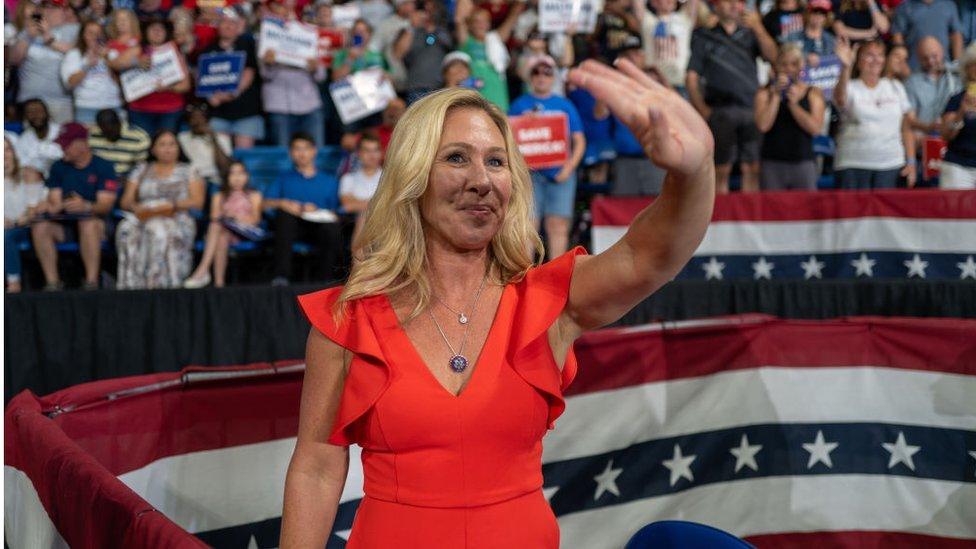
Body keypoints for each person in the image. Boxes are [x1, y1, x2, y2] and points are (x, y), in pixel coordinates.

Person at [278, 58, 715, 546]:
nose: (482, 180)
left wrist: (694, 173)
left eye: (496, 160)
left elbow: (647, 255)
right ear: (412, 175)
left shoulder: (547, 300)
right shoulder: (347, 319)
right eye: (457, 158)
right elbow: (316, 465)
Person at [686, 0, 778, 193]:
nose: (734, 6)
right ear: (716, 6)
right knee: (721, 169)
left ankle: (750, 219)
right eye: (728, 1)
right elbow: (691, 77)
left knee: (752, 168)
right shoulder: (703, 36)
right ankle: (722, 219)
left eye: (739, 2)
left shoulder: (752, 33)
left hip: (751, 109)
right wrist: (703, 110)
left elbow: (774, 58)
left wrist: (759, 27)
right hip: (720, 110)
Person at [509, 55, 586, 259]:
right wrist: (521, 123)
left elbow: (579, 141)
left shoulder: (565, 105)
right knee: (528, 226)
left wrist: (569, 168)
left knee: (558, 224)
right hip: (530, 175)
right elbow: (507, 140)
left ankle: (555, 277)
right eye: (536, 72)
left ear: (553, 78)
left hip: (561, 173)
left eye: (547, 72)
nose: (541, 77)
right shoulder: (519, 105)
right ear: (530, 77)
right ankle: (526, 277)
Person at [30, 123, 120, 290]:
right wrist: (54, 206)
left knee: (87, 223)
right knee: (40, 226)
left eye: (66, 145)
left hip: (98, 224)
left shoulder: (103, 166)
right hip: (66, 224)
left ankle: (91, 282)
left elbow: (105, 206)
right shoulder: (58, 167)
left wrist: (85, 205)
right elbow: (55, 200)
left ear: (81, 144)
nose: (62, 148)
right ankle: (53, 283)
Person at [115, 130, 205, 289]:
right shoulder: (141, 170)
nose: (168, 149)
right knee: (125, 229)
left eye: (172, 144)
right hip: (145, 215)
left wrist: (173, 205)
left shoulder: (189, 170)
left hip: (176, 216)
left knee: (158, 229)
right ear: (153, 149)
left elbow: (197, 202)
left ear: (178, 147)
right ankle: (130, 284)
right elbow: (126, 201)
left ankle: (160, 285)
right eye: (162, 144)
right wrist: (137, 207)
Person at [833, 38, 917, 188]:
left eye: (880, 55)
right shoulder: (850, 87)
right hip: (853, 164)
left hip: (891, 164)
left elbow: (906, 128)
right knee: (854, 212)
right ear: (858, 61)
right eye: (869, 55)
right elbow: (840, 99)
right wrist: (845, 67)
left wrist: (911, 161)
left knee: (885, 213)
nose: (875, 60)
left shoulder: (895, 87)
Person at [264, 132, 342, 286]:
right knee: (284, 216)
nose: (302, 153)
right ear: (291, 153)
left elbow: (337, 213)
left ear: (314, 151)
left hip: (319, 226)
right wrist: (283, 203)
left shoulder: (329, 180)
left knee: (332, 228)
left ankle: (325, 280)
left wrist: (315, 210)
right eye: (297, 149)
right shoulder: (283, 177)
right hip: (291, 227)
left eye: (306, 148)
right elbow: (264, 203)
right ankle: (282, 276)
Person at [754, 45, 827, 190]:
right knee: (772, 210)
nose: (788, 69)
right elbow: (763, 125)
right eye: (784, 64)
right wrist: (776, 95)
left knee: (807, 210)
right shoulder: (764, 93)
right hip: (772, 162)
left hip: (803, 162)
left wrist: (793, 104)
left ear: (801, 66)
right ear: (776, 66)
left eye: (793, 64)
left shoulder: (813, 93)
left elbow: (815, 129)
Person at [184, 161, 263, 288]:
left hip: (245, 232)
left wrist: (236, 217)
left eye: (240, 173)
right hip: (224, 231)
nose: (237, 178)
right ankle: (219, 283)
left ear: (247, 176)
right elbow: (214, 217)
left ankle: (203, 270)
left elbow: (255, 219)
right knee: (220, 235)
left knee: (217, 228)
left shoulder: (253, 194)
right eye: (232, 174)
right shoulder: (219, 195)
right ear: (226, 177)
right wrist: (225, 214)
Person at [262, 0, 327, 147]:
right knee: (283, 155)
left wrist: (314, 67)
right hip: (278, 105)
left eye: (288, 9)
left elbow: (321, 76)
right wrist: (269, 64)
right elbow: (265, 75)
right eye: (280, 8)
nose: (285, 13)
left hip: (309, 104)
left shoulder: (309, 35)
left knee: (315, 152)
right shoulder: (266, 36)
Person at [7, 0, 80, 124]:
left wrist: (48, 36)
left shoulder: (72, 30)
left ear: (64, 11)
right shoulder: (25, 31)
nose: (50, 11)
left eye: (55, 7)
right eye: (46, 7)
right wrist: (28, 36)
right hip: (30, 99)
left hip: (61, 100)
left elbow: (76, 52)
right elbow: (14, 60)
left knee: (62, 140)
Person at [202, 6, 264, 149]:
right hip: (218, 114)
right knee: (220, 158)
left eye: (232, 23)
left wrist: (231, 92)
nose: (228, 26)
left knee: (244, 158)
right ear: (218, 26)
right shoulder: (209, 50)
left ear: (239, 26)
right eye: (224, 22)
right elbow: (202, 77)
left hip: (246, 113)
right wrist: (211, 97)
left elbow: (250, 72)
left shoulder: (248, 44)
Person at [126, 19, 192, 135]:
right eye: (153, 29)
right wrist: (135, 61)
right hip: (140, 109)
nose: (157, 32)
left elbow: (185, 86)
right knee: (143, 146)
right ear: (145, 32)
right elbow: (114, 63)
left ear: (166, 33)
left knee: (166, 146)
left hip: (170, 110)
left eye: (160, 29)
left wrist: (169, 88)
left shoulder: (175, 52)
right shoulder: (137, 50)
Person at [455, 6, 521, 111]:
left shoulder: (495, 39)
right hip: (475, 94)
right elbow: (459, 20)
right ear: (470, 25)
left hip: (497, 93)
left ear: (489, 24)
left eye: (484, 21)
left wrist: (520, 4)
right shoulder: (466, 41)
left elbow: (512, 18)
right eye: (476, 21)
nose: (481, 25)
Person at [60, 20, 124, 125]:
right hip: (86, 107)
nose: (95, 36)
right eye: (91, 33)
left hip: (112, 106)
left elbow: (121, 83)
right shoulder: (74, 55)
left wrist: (107, 60)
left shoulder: (112, 54)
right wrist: (87, 66)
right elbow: (69, 83)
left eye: (98, 33)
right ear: (83, 36)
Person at [5, 137, 47, 293]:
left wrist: (15, 221)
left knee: (5, 236)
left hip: (25, 227)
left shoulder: (28, 174)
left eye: (7, 149)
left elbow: (33, 208)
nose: (3, 154)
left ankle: (14, 282)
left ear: (14, 152)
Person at [904, 37, 961, 146]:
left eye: (934, 56)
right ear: (918, 58)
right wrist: (929, 126)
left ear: (942, 51)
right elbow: (910, 119)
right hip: (924, 141)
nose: (930, 61)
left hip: (954, 140)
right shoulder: (911, 82)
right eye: (925, 58)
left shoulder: (957, 74)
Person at [634, 0, 698, 96]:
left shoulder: (684, 19)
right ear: (653, 2)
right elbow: (637, 5)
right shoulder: (648, 22)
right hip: (654, 83)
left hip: (680, 83)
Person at [938, 44, 976, 189]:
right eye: (974, 65)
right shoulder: (956, 99)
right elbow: (946, 135)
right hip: (958, 168)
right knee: (954, 212)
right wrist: (961, 112)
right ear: (967, 69)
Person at [891, 0, 963, 70]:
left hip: (944, 66)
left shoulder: (949, 5)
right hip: (914, 67)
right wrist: (904, 66)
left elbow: (956, 34)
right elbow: (898, 35)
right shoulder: (905, 7)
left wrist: (957, 62)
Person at [339, 133, 384, 246]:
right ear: (359, 153)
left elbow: (390, 204)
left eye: (375, 150)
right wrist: (376, 202)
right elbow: (347, 205)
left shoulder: (388, 178)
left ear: (381, 153)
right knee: (365, 216)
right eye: (367, 151)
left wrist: (358, 202)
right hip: (353, 222)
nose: (372, 155)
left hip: (385, 221)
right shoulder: (348, 178)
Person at [177, 103, 233, 187]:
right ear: (188, 121)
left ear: (207, 120)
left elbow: (225, 168)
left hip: (215, 180)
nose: (198, 121)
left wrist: (213, 139)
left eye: (201, 117)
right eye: (194, 117)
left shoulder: (222, 138)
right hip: (191, 181)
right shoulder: (181, 138)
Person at [88, 108, 151, 180]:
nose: (109, 135)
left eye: (112, 131)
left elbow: (141, 166)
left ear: (119, 123)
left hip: (126, 178)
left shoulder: (139, 137)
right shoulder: (92, 134)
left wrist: (128, 180)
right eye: (105, 132)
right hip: (99, 178)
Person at [16, 98, 63, 178]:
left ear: (47, 113)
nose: (36, 115)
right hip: (34, 182)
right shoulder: (23, 139)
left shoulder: (62, 132)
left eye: (39, 111)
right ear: (25, 117)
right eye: (30, 112)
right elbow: (22, 166)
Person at [802, 0, 837, 67]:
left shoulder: (831, 39)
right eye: (815, 12)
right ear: (807, 14)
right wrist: (805, 57)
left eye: (822, 13)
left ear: (827, 17)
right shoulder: (794, 37)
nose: (818, 16)